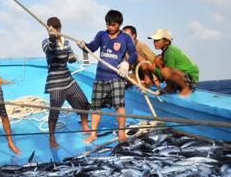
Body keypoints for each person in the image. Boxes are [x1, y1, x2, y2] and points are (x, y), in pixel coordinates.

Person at [79, 10, 137, 144]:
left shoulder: (126, 38)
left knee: (119, 106)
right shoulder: (102, 35)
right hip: (100, 77)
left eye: (113, 25)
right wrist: (84, 46)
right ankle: (93, 134)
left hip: (117, 77)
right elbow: (92, 48)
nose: (110, 27)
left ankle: (121, 133)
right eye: (108, 24)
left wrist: (126, 64)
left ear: (119, 24)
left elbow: (133, 54)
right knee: (96, 107)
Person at [43, 17, 90, 149]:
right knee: (54, 111)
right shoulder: (46, 42)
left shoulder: (66, 41)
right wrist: (52, 38)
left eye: (58, 28)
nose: (57, 30)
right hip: (55, 82)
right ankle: (52, 137)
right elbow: (49, 50)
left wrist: (73, 58)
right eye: (54, 28)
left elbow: (70, 59)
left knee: (83, 102)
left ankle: (85, 125)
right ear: (48, 28)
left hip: (68, 79)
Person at [148, 29, 199, 97]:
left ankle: (186, 88)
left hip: (191, 79)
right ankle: (171, 87)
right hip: (184, 76)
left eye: (157, 40)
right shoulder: (167, 50)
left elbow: (168, 72)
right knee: (158, 59)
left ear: (166, 41)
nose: (155, 43)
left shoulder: (169, 51)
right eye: (154, 40)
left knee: (165, 71)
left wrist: (153, 69)